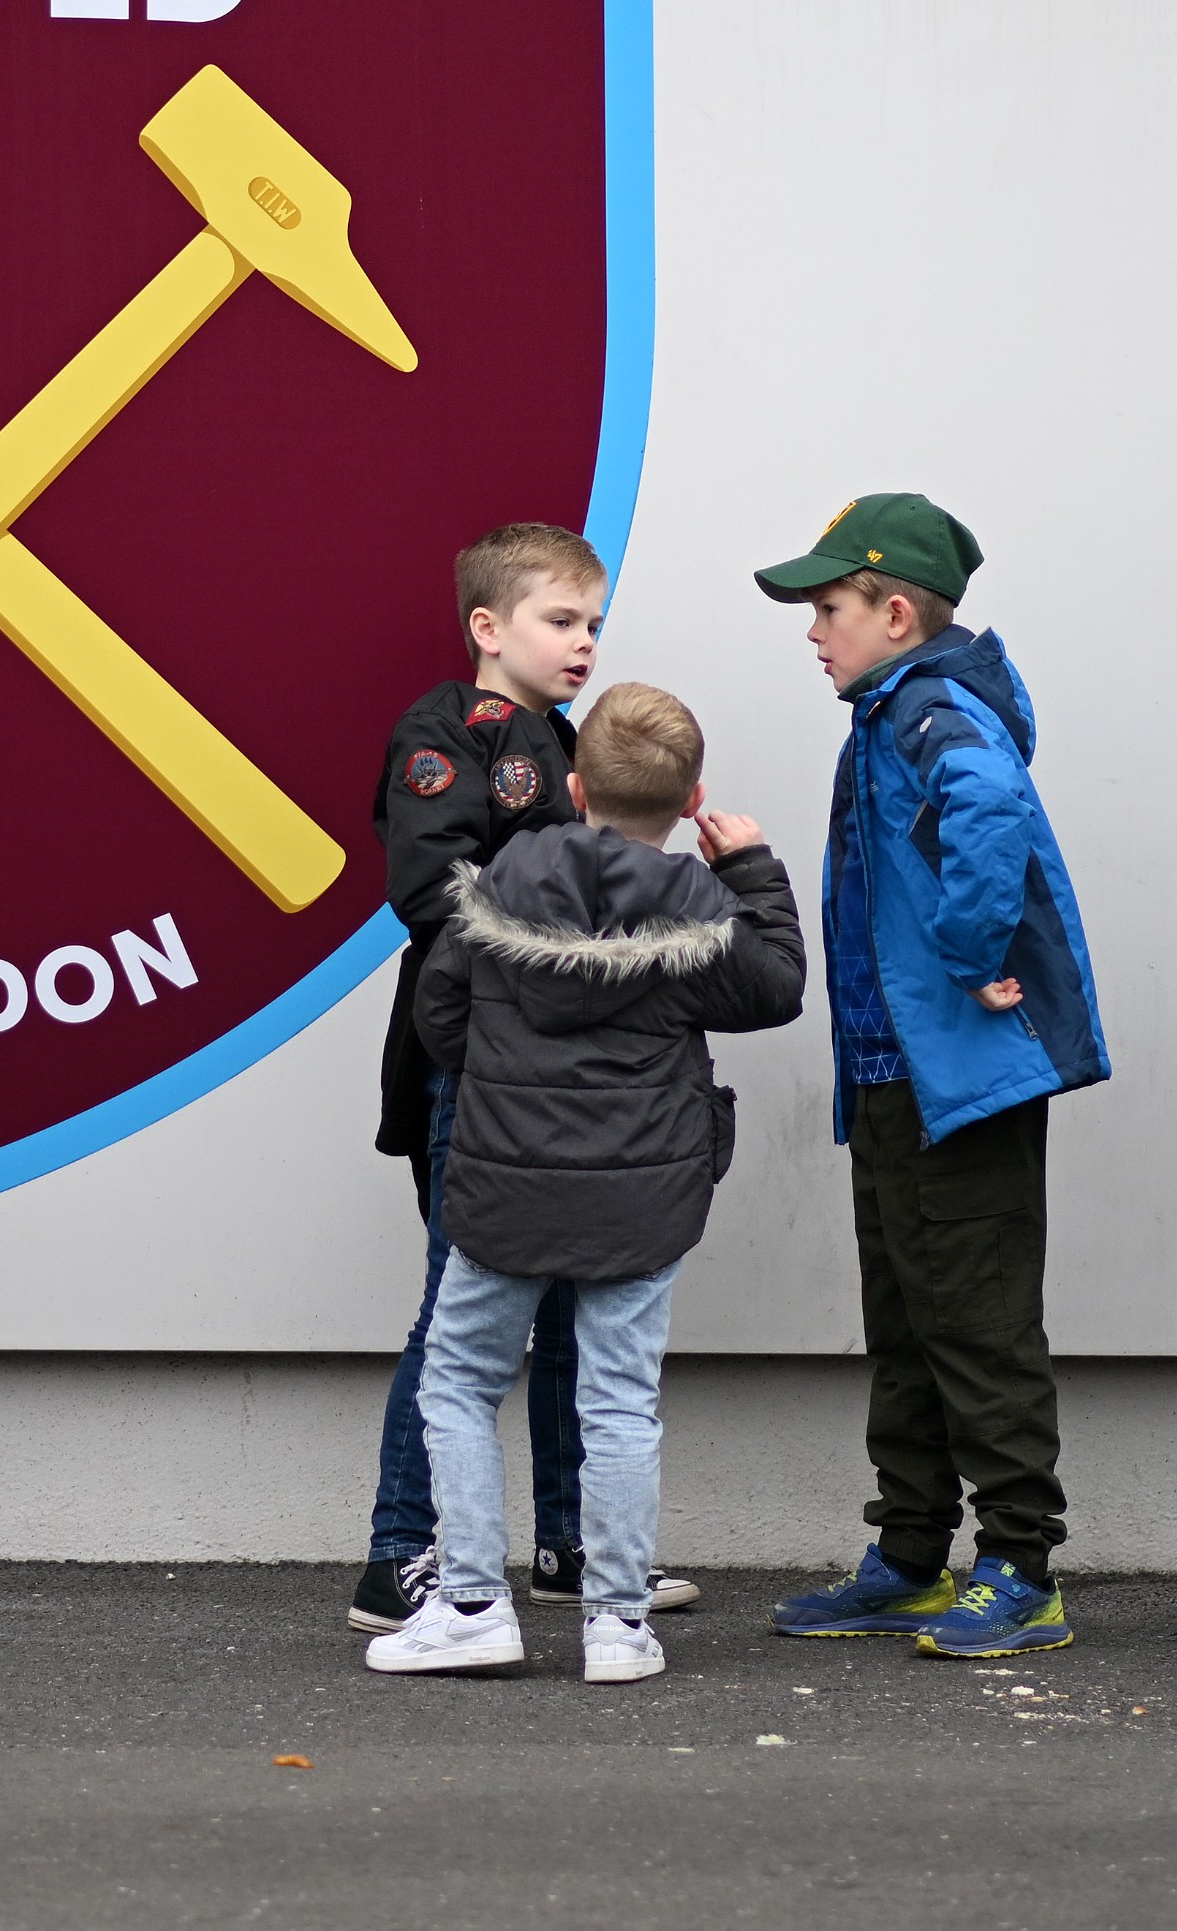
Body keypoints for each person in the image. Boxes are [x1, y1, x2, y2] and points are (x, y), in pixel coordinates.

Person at [364, 683, 805, 1684]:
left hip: (502, 1189)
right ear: (690, 795)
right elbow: (776, 984)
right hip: (639, 1200)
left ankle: (472, 1604)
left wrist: (515, 1080)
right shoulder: (697, 900)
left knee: (460, 1380)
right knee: (616, 1400)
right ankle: (616, 1623)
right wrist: (747, 863)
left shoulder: (500, 881)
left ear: (572, 786)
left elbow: (443, 1022)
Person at [753, 495, 1106, 1660]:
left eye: (828, 609)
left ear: (895, 611)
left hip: (960, 1081)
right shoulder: (892, 709)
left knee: (978, 1320)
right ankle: (910, 1554)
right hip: (896, 1078)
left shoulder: (932, 706)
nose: (814, 633)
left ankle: (1019, 1567)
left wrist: (970, 950)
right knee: (906, 1320)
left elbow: (992, 808)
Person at [349, 526, 700, 1631]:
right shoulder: (441, 734)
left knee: (570, 1303)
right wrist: (546, 961)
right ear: (488, 628)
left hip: (567, 1087)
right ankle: (403, 1553)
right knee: (456, 1320)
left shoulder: (567, 742)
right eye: (561, 619)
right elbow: (431, 894)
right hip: (476, 1074)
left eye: (594, 622)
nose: (584, 641)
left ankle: (569, 1544)